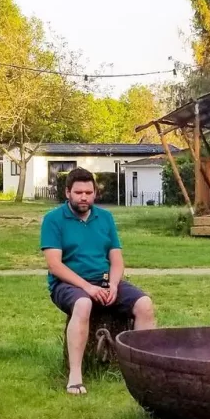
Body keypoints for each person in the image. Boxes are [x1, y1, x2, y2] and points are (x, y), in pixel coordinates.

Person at [42, 167, 156, 395]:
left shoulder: (105, 218)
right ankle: (75, 376)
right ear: (68, 193)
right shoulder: (53, 219)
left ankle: (142, 371)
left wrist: (113, 284)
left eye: (88, 192)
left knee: (145, 304)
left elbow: (116, 260)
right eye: (78, 192)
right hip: (68, 284)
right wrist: (87, 287)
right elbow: (54, 265)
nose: (84, 197)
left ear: (95, 193)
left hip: (103, 281)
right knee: (83, 304)